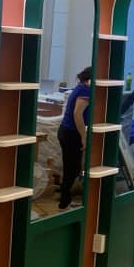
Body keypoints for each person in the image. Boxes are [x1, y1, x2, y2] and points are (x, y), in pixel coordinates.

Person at [57, 67, 91, 210]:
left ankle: (65, 201)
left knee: (70, 167)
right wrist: (84, 136)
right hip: (71, 133)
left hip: (65, 131)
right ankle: (63, 204)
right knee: (73, 169)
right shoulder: (86, 90)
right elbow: (78, 114)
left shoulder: (80, 87)